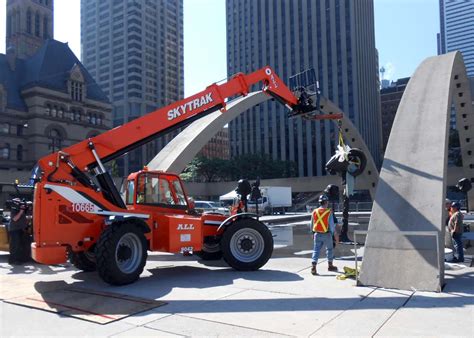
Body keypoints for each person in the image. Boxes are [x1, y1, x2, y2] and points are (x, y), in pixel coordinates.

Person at [310, 194, 339, 275]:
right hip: (327, 234)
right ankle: (330, 266)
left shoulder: (314, 211)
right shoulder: (329, 212)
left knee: (316, 250)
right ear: (326, 202)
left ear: (320, 202)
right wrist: (335, 235)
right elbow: (331, 225)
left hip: (317, 234)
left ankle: (313, 267)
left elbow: (312, 224)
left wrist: (312, 233)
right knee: (329, 249)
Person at [7, 199, 31, 265]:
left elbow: (27, 217)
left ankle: (21, 259)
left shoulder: (22, 210)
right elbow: (15, 219)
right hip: (14, 229)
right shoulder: (14, 209)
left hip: (21, 229)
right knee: (15, 245)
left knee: (21, 245)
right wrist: (20, 212)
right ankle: (12, 260)